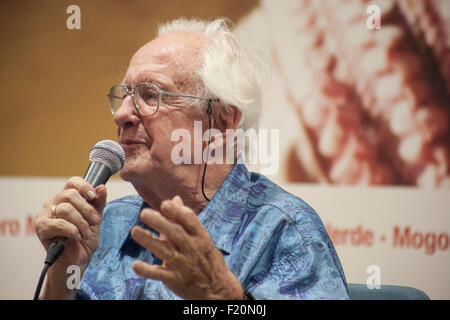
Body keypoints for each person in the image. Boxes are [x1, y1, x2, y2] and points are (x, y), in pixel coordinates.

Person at [35, 18, 349, 300]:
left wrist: (221, 296)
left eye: (150, 95)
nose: (122, 114)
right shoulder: (109, 223)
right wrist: (63, 274)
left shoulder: (284, 229)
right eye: (125, 95)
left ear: (223, 121)